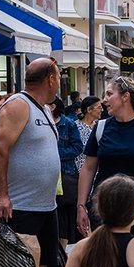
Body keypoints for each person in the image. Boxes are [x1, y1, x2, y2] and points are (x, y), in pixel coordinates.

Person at [0, 58, 62, 267]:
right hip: (20, 206)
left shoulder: (43, 108)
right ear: (50, 79)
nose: (60, 81)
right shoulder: (17, 105)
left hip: (46, 206)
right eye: (58, 76)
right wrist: (1, 195)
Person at [76, 76, 134, 257]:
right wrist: (81, 205)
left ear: (125, 96)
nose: (104, 100)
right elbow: (88, 169)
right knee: (106, 265)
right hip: (105, 209)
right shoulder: (101, 128)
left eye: (109, 94)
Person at [50, 97, 83, 247]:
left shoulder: (68, 124)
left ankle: (61, 253)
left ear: (52, 106)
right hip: (46, 175)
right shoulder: (42, 122)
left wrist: (56, 153)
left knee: (63, 215)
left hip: (65, 174)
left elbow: (77, 147)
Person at [74, 96, 102, 173]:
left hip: (98, 170)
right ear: (89, 110)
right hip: (80, 171)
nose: (101, 110)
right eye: (99, 108)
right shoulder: (75, 127)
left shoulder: (100, 125)